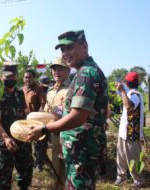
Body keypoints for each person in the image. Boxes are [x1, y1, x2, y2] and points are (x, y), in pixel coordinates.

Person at [28, 30, 108, 190]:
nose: (65, 53)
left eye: (70, 48)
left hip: (82, 151)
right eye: (62, 50)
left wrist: (44, 129)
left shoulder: (87, 74)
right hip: (80, 150)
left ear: (84, 46)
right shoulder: (84, 72)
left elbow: (78, 118)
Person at [0, 61, 33, 190]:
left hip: (22, 139)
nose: (11, 79)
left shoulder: (19, 93)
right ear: (1, 76)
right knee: (3, 175)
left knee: (25, 172)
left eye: (13, 76)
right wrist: (6, 138)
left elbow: (25, 113)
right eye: (8, 76)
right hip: (4, 141)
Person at [43, 57, 70, 190]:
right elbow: (46, 111)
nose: (56, 72)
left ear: (68, 70)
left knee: (69, 169)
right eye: (54, 69)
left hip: (70, 135)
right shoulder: (51, 91)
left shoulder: (72, 88)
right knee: (56, 166)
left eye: (60, 68)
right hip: (55, 135)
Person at [114, 71, 145, 188]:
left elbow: (128, 106)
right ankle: (121, 177)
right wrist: (121, 90)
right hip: (124, 132)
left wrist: (122, 90)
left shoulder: (136, 95)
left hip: (132, 134)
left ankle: (139, 181)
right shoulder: (131, 93)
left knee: (134, 158)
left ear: (127, 83)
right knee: (121, 156)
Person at [22, 69, 47, 171]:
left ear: (34, 78)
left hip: (36, 120)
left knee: (39, 143)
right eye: (26, 77)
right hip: (24, 120)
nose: (27, 79)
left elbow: (43, 103)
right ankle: (28, 161)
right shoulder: (22, 89)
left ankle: (39, 163)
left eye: (29, 77)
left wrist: (38, 117)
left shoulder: (39, 89)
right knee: (26, 141)